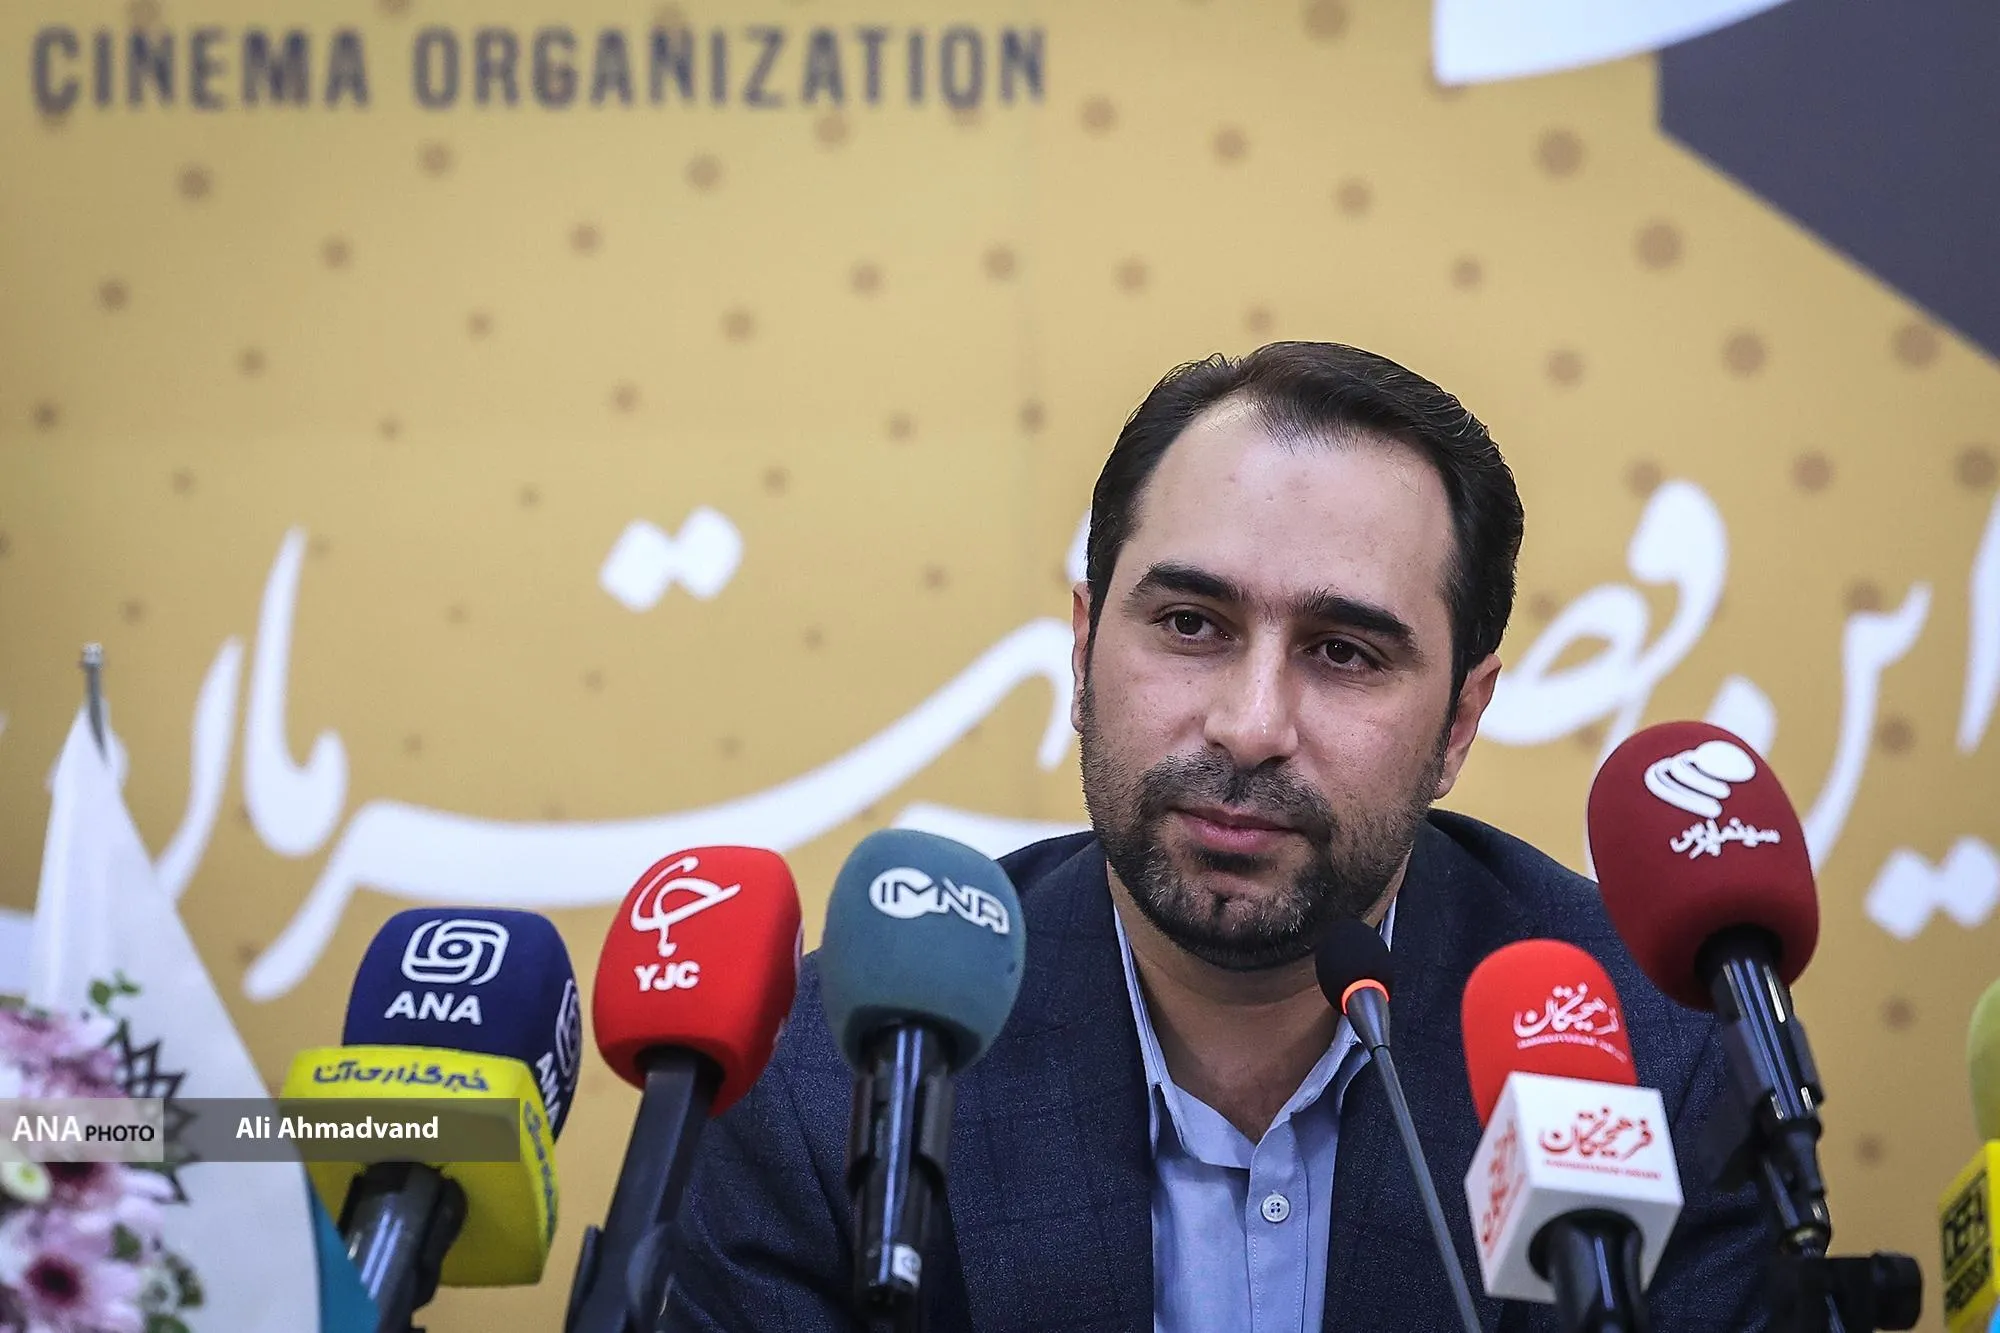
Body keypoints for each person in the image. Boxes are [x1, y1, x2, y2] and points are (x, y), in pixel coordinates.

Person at [664, 342, 1768, 1331]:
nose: (1249, 725)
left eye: (1343, 652)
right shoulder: (840, 1072)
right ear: (1084, 650)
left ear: (1458, 723)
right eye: (1190, 624)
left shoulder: (1651, 1057)